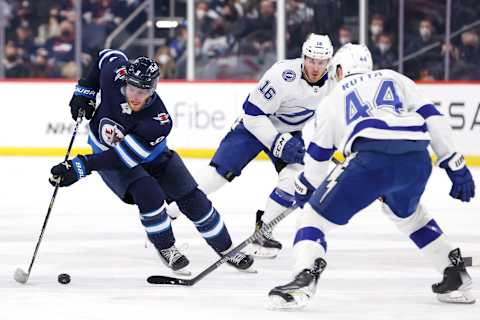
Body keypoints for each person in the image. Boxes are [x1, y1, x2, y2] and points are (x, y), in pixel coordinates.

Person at [268, 44, 476, 309]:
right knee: (409, 215)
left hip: (371, 159)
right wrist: (454, 164)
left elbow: (318, 158)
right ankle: (454, 271)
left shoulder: (333, 97)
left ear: (340, 69)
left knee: (313, 217)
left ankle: (303, 277)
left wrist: (306, 187)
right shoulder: (394, 77)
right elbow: (433, 118)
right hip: (417, 158)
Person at [48, 49, 254, 275]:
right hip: (105, 153)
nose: (135, 96)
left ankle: (226, 248)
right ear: (125, 80)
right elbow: (107, 54)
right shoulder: (113, 73)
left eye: (143, 91)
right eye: (132, 89)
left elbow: (123, 157)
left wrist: (80, 166)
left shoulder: (159, 120)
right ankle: (166, 247)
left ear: (153, 89)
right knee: (149, 194)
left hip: (149, 156)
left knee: (194, 200)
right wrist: (84, 91)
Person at [167, 33, 334, 258]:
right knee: (218, 174)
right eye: (311, 60)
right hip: (254, 127)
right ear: (303, 57)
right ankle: (169, 214)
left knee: (294, 177)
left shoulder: (335, 80)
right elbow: (252, 113)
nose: (315, 67)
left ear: (329, 61)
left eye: (321, 62)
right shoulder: (282, 75)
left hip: (289, 132)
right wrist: (276, 142)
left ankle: (263, 231)